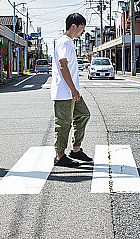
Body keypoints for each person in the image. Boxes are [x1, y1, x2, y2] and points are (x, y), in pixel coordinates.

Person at [52, 13, 93, 167]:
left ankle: (76, 149)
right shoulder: (65, 42)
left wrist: (74, 90)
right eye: (82, 28)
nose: (83, 32)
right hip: (65, 92)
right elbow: (63, 66)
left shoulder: (68, 42)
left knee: (83, 114)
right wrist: (73, 89)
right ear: (74, 26)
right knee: (64, 123)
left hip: (71, 91)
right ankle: (60, 156)